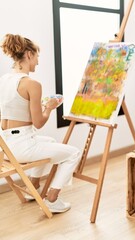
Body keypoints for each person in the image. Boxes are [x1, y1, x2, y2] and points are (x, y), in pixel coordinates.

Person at [0, 34, 81, 213]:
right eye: (37, 56)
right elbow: (38, 123)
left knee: (50, 143)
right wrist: (50, 107)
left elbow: (14, 110)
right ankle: (52, 199)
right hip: (22, 146)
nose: (37, 62)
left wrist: (40, 106)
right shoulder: (32, 84)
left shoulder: (4, 80)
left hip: (6, 147)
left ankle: (33, 187)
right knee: (74, 153)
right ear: (28, 55)